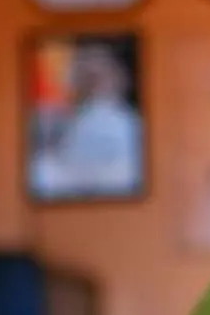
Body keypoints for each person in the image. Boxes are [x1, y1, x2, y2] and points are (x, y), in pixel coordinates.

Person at [30, 42, 144, 201]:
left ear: (120, 78)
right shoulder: (65, 117)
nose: (91, 85)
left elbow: (70, 180)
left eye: (95, 78)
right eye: (85, 76)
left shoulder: (117, 123)